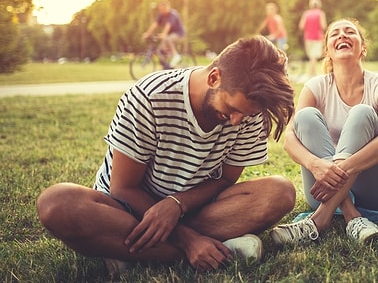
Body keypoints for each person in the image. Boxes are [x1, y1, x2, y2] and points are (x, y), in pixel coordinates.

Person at [36, 36, 297, 277]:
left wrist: (177, 205)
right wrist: (188, 239)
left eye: (246, 115)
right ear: (214, 77)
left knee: (280, 192)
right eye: (231, 108)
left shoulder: (250, 111)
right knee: (56, 203)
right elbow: (123, 188)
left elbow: (225, 180)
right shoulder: (149, 97)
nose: (236, 121)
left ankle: (132, 254)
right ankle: (208, 250)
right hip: (127, 209)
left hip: (196, 207)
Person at [269, 19, 378, 246]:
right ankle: (351, 214)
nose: (342, 36)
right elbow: (290, 139)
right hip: (321, 188)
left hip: (376, 192)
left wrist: (340, 169)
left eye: (350, 32)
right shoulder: (316, 86)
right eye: (335, 34)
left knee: (362, 113)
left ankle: (319, 220)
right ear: (328, 50)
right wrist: (315, 165)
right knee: (305, 117)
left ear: (363, 47)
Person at [142, 0, 187, 68]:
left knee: (168, 39)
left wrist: (163, 34)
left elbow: (168, 26)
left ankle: (176, 56)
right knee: (159, 50)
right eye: (160, 9)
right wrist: (148, 33)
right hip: (169, 35)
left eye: (162, 9)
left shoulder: (173, 14)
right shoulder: (161, 15)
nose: (161, 11)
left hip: (179, 34)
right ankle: (167, 67)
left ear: (167, 7)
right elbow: (155, 24)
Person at [298, 0, 327, 77]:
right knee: (314, 56)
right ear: (319, 5)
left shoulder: (306, 14)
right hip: (317, 37)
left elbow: (301, 26)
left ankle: (311, 73)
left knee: (311, 56)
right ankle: (312, 74)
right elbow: (323, 26)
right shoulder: (320, 13)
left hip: (308, 37)